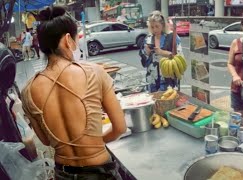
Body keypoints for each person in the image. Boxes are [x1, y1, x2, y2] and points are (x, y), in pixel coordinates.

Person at [20, 6, 126, 179]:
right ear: (68, 39)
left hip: (63, 173)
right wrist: (93, 143)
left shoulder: (27, 91)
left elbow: (46, 141)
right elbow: (120, 128)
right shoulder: (94, 72)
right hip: (99, 173)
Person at [139, 10, 183, 92]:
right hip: (152, 80)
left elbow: (180, 59)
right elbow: (144, 63)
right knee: (154, 101)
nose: (154, 29)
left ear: (162, 25)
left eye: (157, 26)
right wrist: (146, 53)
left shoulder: (172, 37)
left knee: (168, 101)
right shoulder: (148, 38)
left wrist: (162, 52)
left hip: (169, 79)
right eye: (152, 27)